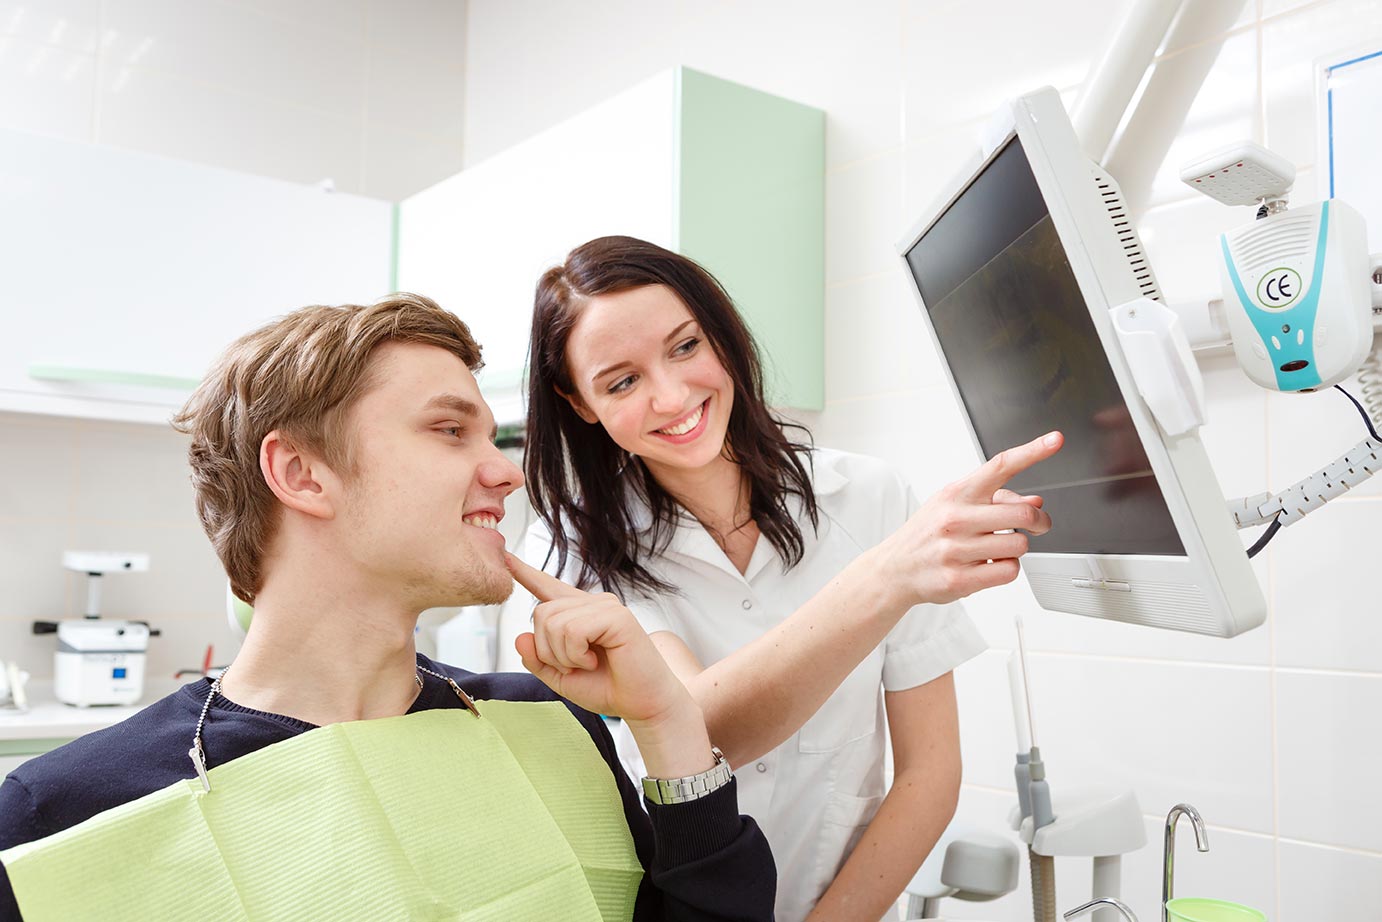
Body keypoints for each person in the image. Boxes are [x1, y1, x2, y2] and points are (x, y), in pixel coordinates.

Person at [0, 294, 776, 921]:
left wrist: (668, 722)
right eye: (449, 430)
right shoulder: (58, 812)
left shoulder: (546, 722)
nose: (505, 475)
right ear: (303, 473)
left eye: (495, 439)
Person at [517, 236, 1062, 921]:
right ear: (580, 402)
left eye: (686, 347)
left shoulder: (868, 498)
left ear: (721, 334)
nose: (671, 395)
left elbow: (930, 772)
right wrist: (888, 576)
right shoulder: (569, 546)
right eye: (621, 382)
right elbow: (701, 729)